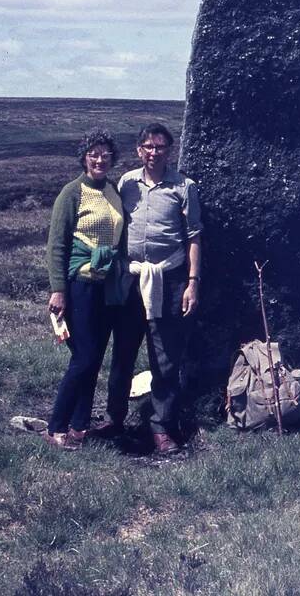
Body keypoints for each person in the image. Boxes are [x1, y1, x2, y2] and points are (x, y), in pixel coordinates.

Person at [93, 123, 202, 453]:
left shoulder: (184, 187)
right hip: (130, 281)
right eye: (148, 147)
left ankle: (160, 426)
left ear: (171, 151)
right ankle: (114, 418)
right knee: (123, 353)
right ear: (139, 150)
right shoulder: (127, 183)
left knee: (165, 358)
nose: (154, 153)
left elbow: (195, 237)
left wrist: (193, 283)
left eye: (161, 147)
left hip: (169, 280)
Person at [42, 129, 124, 449]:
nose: (99, 159)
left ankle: (79, 426)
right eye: (93, 153)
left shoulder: (113, 190)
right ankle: (56, 426)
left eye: (105, 154)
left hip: (106, 285)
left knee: (93, 358)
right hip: (80, 285)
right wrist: (58, 290)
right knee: (84, 358)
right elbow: (57, 245)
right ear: (84, 157)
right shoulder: (72, 193)